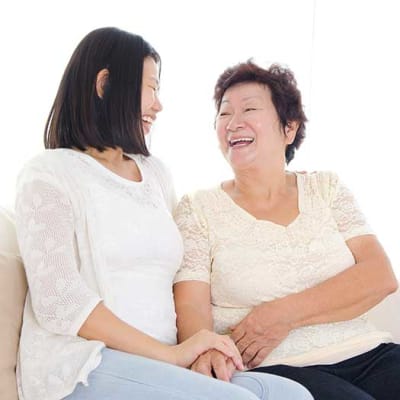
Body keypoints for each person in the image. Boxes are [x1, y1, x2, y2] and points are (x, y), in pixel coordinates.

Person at [14, 29, 314, 400]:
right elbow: (60, 302)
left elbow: (184, 272)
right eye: (151, 88)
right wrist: (169, 355)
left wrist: (196, 349)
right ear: (105, 84)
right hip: (82, 365)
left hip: (159, 364)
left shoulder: (155, 174)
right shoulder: (48, 173)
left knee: (290, 395)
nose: (158, 105)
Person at [173, 60, 400, 400]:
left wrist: (281, 314)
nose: (234, 123)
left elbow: (380, 277)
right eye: (224, 114)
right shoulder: (198, 208)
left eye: (249, 108)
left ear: (289, 129)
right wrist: (204, 351)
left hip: (367, 351)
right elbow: (190, 306)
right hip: (276, 368)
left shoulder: (327, 189)